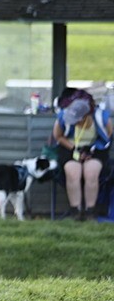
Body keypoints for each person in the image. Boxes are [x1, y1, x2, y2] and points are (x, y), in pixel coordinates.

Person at [52, 89, 112, 220]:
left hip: (96, 149)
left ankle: (90, 211)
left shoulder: (101, 118)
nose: (75, 122)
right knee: (73, 172)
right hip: (70, 148)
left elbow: (108, 136)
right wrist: (75, 149)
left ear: (86, 115)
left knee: (91, 172)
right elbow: (58, 136)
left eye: (77, 119)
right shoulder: (64, 116)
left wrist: (92, 150)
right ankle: (76, 211)